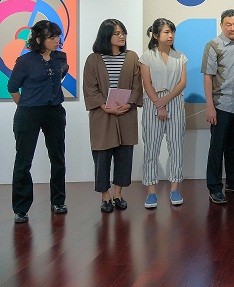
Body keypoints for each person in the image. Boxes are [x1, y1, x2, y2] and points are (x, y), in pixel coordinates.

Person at [9, 20, 69, 223]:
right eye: (51, 37)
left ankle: (58, 201)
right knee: (23, 161)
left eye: (57, 36)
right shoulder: (25, 61)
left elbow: (60, 75)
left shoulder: (61, 57)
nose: (56, 40)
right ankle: (21, 209)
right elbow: (12, 87)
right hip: (29, 113)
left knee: (58, 157)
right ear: (38, 39)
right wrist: (25, 106)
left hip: (54, 112)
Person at [83, 19, 142, 213]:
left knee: (124, 156)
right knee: (102, 156)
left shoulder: (132, 57)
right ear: (106, 36)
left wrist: (130, 103)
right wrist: (104, 106)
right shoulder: (93, 59)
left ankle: (118, 194)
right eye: (117, 33)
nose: (121, 36)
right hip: (102, 115)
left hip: (126, 112)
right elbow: (90, 88)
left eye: (123, 33)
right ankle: (105, 196)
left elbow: (137, 84)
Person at [202, 9, 234, 204]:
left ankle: (233, 182)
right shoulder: (213, 45)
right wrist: (210, 106)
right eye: (228, 24)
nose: (232, 28)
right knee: (217, 148)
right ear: (221, 25)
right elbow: (208, 77)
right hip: (221, 104)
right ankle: (214, 188)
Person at [140, 18, 188, 209]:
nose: (170, 35)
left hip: (174, 101)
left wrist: (166, 101)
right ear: (155, 35)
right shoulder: (147, 57)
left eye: (172, 32)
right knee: (151, 149)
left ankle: (175, 188)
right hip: (153, 103)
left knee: (176, 147)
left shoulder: (180, 56)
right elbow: (147, 83)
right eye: (167, 32)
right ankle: (151, 192)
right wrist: (159, 105)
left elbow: (182, 82)